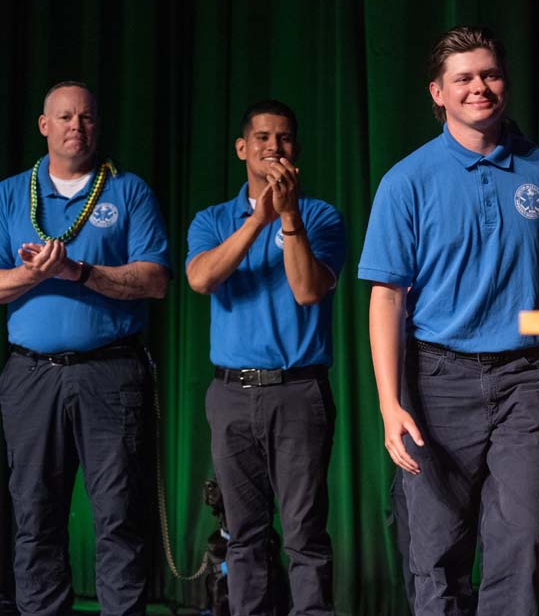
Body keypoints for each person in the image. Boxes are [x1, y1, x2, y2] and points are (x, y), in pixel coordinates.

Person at [359, 26, 539, 616]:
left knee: (524, 540)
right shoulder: (406, 180)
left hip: (528, 378)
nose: (479, 87)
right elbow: (386, 298)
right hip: (437, 380)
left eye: (490, 74)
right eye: (463, 78)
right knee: (436, 548)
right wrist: (389, 404)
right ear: (438, 93)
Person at [0, 81, 170, 616]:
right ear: (44, 126)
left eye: (88, 117)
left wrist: (77, 272)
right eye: (66, 117)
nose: (78, 126)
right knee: (35, 517)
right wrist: (34, 274)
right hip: (31, 377)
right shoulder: (11, 194)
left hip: (110, 374)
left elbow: (155, 280)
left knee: (120, 517)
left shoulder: (128, 191)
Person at [186, 100, 346, 616]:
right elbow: (201, 278)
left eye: (284, 138)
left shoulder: (321, 216)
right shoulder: (212, 220)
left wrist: (288, 215)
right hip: (231, 394)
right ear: (242, 148)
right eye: (262, 138)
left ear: (296, 149)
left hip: (297, 392)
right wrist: (259, 219)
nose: (274, 147)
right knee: (243, 534)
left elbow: (307, 290)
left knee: (304, 533)